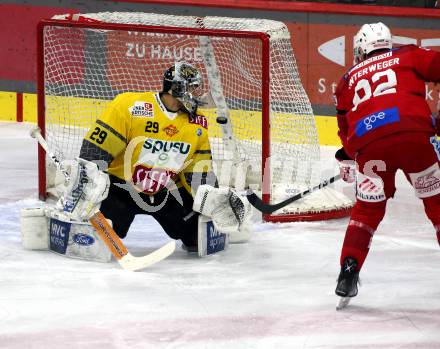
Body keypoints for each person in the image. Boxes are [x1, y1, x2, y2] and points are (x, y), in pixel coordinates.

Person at [56, 61, 252, 253]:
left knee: (197, 237)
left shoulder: (197, 122)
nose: (197, 94)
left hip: (166, 191)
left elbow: (199, 171)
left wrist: (214, 198)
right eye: (192, 88)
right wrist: (85, 189)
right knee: (99, 238)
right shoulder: (130, 106)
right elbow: (95, 152)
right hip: (122, 189)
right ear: (177, 89)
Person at [333, 22, 440, 301]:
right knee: (437, 204)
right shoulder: (408, 55)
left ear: (360, 50)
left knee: (367, 212)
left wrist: (349, 152)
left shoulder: (346, 81)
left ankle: (349, 269)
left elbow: (346, 135)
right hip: (415, 136)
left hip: (370, 147)